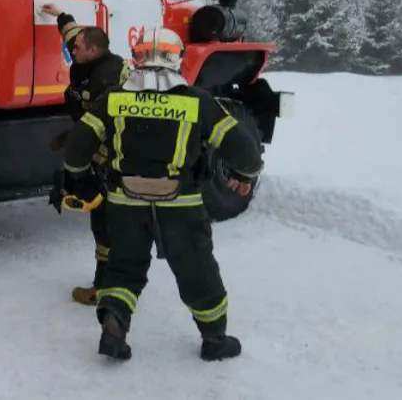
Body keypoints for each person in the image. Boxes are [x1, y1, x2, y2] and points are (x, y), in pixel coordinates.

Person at [54, 26, 263, 362]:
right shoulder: (197, 101)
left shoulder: (114, 100)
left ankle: (114, 328)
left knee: (122, 269)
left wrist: (79, 178)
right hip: (180, 205)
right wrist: (244, 175)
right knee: (197, 270)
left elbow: (77, 145)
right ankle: (214, 339)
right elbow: (244, 150)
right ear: (176, 59)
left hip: (125, 202)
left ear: (137, 59)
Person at [41, 3, 129, 306]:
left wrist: (88, 165)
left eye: (77, 48)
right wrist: (59, 14)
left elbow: (111, 127)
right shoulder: (85, 54)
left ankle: (105, 289)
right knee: (101, 221)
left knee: (105, 222)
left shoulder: (112, 78)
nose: (71, 51)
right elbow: (72, 32)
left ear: (92, 51)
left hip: (111, 156)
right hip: (91, 141)